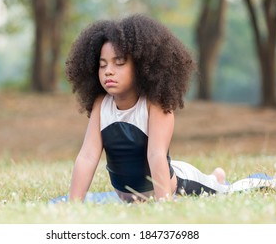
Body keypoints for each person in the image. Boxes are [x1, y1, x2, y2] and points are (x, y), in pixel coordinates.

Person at [65, 14, 227, 203]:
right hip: (133, 198)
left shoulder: (154, 105)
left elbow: (156, 154)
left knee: (222, 190)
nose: (108, 70)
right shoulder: (101, 104)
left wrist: (163, 203)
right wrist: (73, 203)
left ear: (142, 66)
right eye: (102, 65)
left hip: (180, 185)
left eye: (119, 63)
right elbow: (87, 156)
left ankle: (220, 178)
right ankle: (216, 176)